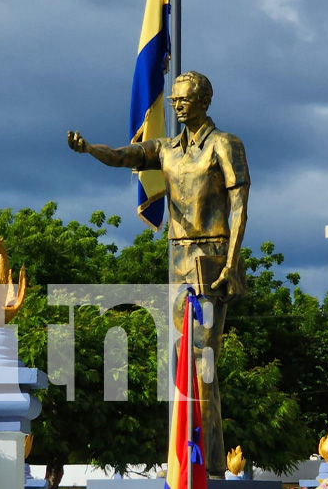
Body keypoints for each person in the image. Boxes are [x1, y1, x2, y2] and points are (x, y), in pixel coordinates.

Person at [67, 71, 250, 477]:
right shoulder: (167, 148)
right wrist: (89, 150)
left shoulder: (224, 144)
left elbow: (239, 208)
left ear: (203, 100)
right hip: (177, 260)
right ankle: (194, 458)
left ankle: (206, 463)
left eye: (184, 99)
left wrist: (232, 264)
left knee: (202, 354)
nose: (178, 106)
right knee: (181, 360)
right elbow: (122, 156)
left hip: (212, 256)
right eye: (174, 101)